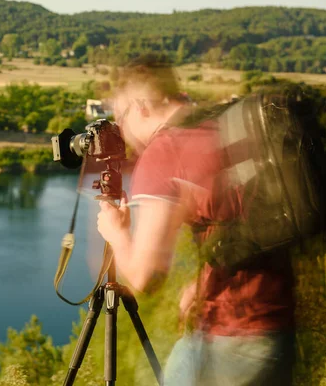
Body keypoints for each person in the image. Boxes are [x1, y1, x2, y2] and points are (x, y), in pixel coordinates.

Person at [96, 53, 296, 385]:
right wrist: (203, 282)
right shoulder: (218, 125)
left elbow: (146, 279)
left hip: (229, 342)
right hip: (280, 329)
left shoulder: (165, 151)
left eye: (122, 116)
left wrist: (116, 233)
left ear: (142, 106)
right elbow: (243, 223)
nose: (122, 131)